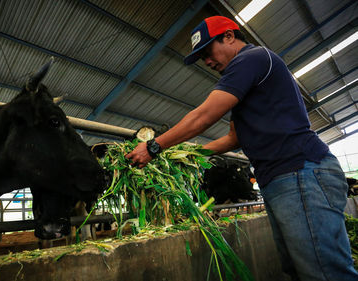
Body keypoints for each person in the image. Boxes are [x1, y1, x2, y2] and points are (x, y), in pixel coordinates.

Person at [126, 16, 358, 281]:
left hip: (299, 171)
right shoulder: (248, 81)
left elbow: (205, 115)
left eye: (207, 52)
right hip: (282, 178)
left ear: (228, 36)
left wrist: (155, 146)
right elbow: (233, 139)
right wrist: (189, 156)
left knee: (324, 273)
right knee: (297, 269)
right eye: (201, 58)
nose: (208, 62)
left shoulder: (252, 58)